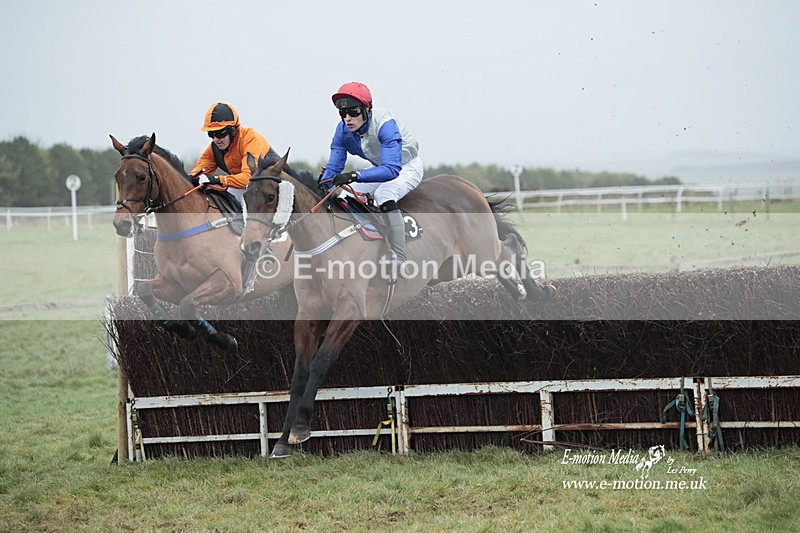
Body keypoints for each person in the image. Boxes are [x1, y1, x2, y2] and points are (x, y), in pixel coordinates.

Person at [320, 82, 423, 274]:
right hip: (380, 168)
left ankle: (399, 258)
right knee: (347, 196)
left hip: (407, 167)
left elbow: (391, 170)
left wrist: (354, 175)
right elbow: (334, 167)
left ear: (367, 109)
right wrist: (324, 183)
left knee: (385, 193)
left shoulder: (385, 124)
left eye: (353, 112)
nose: (348, 119)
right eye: (343, 114)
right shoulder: (341, 131)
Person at [191, 102, 270, 205]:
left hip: (272, 187)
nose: (216, 140)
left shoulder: (251, 139)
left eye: (219, 134)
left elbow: (248, 178)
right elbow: (196, 174)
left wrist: (218, 179)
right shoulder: (213, 149)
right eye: (211, 134)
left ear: (232, 130)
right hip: (247, 187)